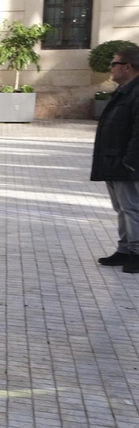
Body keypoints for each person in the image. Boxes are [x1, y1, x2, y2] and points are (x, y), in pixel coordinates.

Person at [93, 45, 139, 273]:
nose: (111, 68)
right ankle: (124, 249)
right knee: (121, 208)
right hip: (113, 159)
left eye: (114, 64)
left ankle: (137, 253)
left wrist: (130, 160)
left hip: (126, 162)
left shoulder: (136, 92)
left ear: (128, 67)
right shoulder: (123, 90)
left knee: (132, 208)